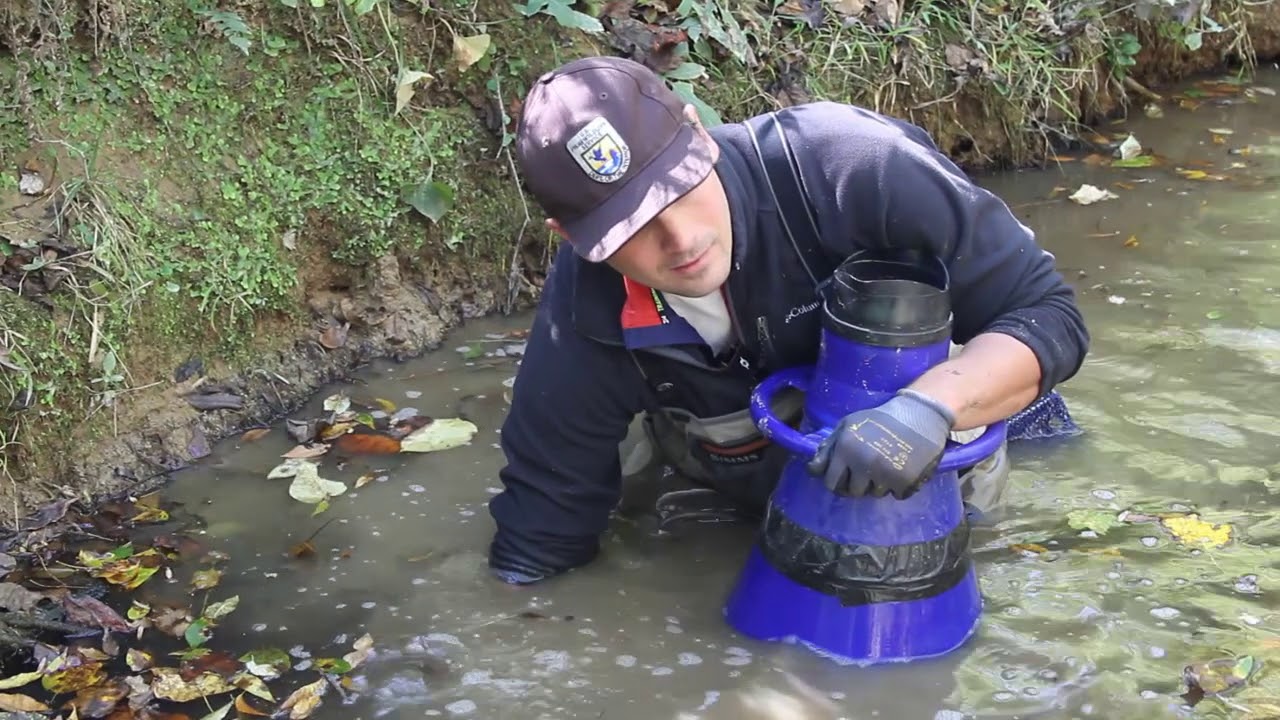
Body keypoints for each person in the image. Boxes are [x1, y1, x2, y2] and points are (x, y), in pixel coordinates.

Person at [485, 55, 1089, 586]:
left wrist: (926, 411)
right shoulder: (585, 303)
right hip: (730, 456)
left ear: (699, 132)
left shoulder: (853, 167)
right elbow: (542, 530)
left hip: (930, 436)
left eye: (677, 185)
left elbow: (1048, 314)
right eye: (631, 227)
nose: (679, 238)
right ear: (572, 239)